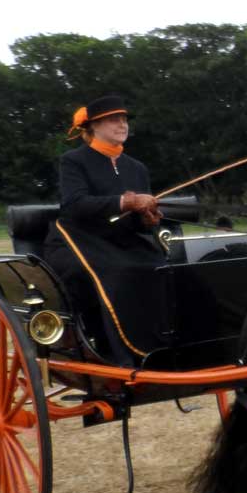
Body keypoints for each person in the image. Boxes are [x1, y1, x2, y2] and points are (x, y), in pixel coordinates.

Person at [42, 94, 167, 363]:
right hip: (77, 240)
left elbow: (136, 220)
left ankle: (160, 348)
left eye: (123, 120)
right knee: (117, 274)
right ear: (93, 127)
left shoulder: (137, 168)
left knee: (163, 268)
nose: (122, 125)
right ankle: (120, 355)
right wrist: (125, 201)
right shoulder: (74, 161)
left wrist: (146, 219)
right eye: (113, 120)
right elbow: (75, 205)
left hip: (123, 243)